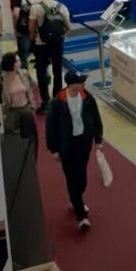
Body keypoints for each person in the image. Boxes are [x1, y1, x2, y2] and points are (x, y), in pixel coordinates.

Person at [46, 71, 103, 231]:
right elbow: (51, 126)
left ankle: (75, 197)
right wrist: (53, 149)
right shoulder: (58, 102)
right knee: (72, 177)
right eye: (80, 82)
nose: (83, 84)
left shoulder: (87, 98)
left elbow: (96, 117)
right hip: (67, 144)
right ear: (72, 84)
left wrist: (98, 138)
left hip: (83, 141)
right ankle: (81, 216)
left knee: (82, 178)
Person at [30, 0, 71, 113]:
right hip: (57, 44)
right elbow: (68, 27)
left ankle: (45, 101)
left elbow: (31, 28)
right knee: (57, 71)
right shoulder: (62, 7)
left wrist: (33, 39)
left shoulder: (36, 8)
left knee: (41, 72)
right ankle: (57, 99)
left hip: (41, 43)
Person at [0, 52, 35, 136]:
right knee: (13, 137)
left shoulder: (24, 73)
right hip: (11, 112)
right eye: (17, 61)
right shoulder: (1, 80)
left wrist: (32, 105)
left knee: (29, 135)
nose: (20, 62)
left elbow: (29, 89)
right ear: (12, 64)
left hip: (26, 109)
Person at [13, 0, 37, 69]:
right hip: (37, 28)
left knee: (23, 55)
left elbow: (16, 13)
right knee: (40, 54)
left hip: (24, 28)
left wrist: (15, 27)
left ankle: (25, 74)